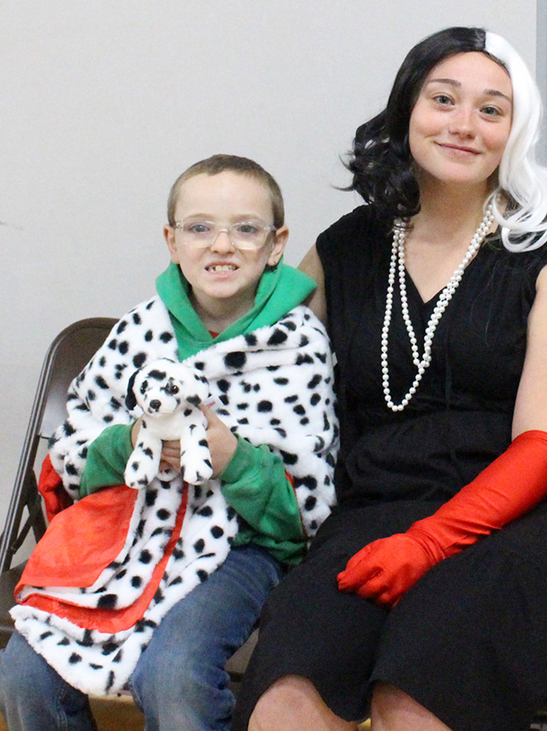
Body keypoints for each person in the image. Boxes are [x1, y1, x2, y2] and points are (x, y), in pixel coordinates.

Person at [234, 26, 547, 731]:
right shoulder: (346, 247)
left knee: (419, 693)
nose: (463, 124)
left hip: (539, 517)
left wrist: (430, 541)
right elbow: (245, 363)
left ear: (516, 130)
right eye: (443, 99)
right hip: (379, 506)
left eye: (491, 109)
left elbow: (545, 447)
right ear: (406, 112)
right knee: (284, 704)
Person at [0, 154, 339, 731]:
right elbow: (69, 462)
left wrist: (233, 459)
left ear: (276, 244)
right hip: (124, 534)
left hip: (239, 547)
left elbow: (304, 511)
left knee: (175, 673)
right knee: (21, 674)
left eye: (246, 229)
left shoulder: (298, 344)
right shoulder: (139, 332)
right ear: (172, 240)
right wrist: (129, 441)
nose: (222, 245)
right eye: (200, 227)